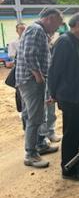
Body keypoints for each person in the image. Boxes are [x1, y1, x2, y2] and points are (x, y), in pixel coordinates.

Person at [16, 9, 63, 169]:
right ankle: (30, 154)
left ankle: (40, 144)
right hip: (31, 81)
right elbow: (29, 54)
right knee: (34, 118)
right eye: (57, 24)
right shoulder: (35, 30)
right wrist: (38, 76)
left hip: (32, 80)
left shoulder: (39, 31)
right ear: (50, 19)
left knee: (36, 114)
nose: (57, 28)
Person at [48, 13, 79, 181]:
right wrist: (53, 94)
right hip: (69, 96)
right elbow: (54, 71)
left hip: (75, 94)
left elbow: (73, 72)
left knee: (74, 132)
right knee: (70, 134)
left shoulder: (73, 42)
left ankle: (73, 163)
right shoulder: (65, 43)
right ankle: (69, 170)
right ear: (78, 25)